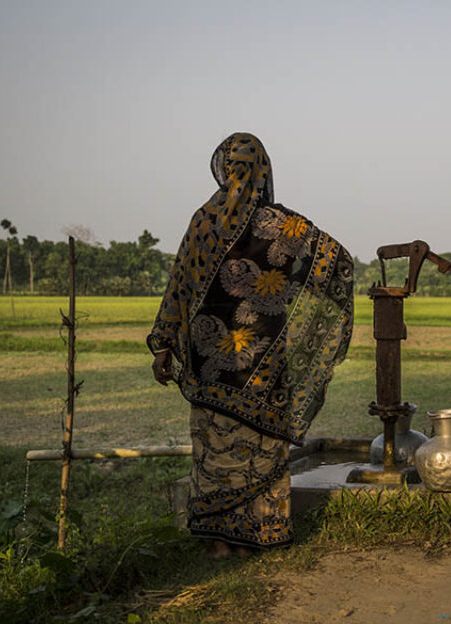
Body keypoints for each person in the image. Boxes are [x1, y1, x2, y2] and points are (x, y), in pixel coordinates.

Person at [148, 132, 353, 557]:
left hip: (210, 363)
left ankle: (219, 544)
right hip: (264, 362)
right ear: (263, 170)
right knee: (260, 447)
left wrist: (165, 346)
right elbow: (339, 264)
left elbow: (179, 287)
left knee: (214, 447)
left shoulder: (203, 220)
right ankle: (258, 538)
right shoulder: (282, 225)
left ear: (223, 168)